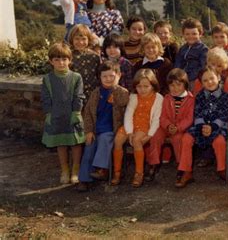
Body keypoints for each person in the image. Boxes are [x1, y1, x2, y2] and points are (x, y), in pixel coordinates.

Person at [77, 61, 129, 192]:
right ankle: (84, 179)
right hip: (96, 129)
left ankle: (102, 169)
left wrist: (115, 92)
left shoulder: (122, 92)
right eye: (104, 77)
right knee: (89, 147)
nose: (108, 79)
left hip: (112, 129)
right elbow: (88, 113)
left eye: (112, 76)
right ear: (100, 78)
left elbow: (125, 107)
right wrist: (89, 131)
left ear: (119, 76)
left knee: (105, 139)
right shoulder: (96, 93)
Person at [175, 67, 228, 188]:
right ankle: (186, 171)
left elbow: (224, 114)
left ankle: (222, 168)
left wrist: (212, 127)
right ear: (201, 83)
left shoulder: (225, 96)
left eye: (212, 78)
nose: (209, 82)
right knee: (186, 138)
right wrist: (201, 126)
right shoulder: (199, 96)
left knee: (219, 141)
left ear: (219, 78)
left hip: (218, 127)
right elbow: (197, 113)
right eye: (205, 80)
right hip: (201, 126)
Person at [41, 42, 85, 184]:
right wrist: (48, 113)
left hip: (72, 114)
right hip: (56, 116)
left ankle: (75, 170)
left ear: (70, 60)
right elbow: (46, 98)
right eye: (57, 60)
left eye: (64, 59)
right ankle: (65, 169)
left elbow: (79, 96)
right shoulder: (47, 79)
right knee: (61, 143)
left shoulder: (76, 77)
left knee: (76, 143)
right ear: (51, 61)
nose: (61, 63)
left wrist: (76, 112)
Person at [111, 69, 164, 188]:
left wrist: (149, 135)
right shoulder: (134, 97)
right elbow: (129, 114)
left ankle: (139, 173)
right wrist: (129, 132)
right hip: (132, 124)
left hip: (146, 125)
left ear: (153, 85)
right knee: (118, 140)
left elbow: (156, 119)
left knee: (136, 141)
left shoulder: (158, 98)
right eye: (139, 86)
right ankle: (117, 171)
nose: (142, 89)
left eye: (146, 86)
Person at [146, 69, 195, 182]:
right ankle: (153, 164)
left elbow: (189, 118)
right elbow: (162, 116)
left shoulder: (190, 99)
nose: (175, 88)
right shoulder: (167, 98)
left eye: (179, 85)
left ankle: (180, 165)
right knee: (155, 136)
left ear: (185, 85)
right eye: (172, 85)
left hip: (180, 129)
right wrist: (168, 126)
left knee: (178, 140)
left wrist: (178, 127)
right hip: (166, 127)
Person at [68, 24, 101, 104]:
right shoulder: (68, 55)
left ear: (88, 40)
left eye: (84, 39)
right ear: (72, 39)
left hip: (92, 94)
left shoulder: (94, 56)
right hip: (74, 95)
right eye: (77, 39)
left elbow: (99, 74)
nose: (80, 42)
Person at [174, 18, 209, 91]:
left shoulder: (203, 49)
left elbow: (202, 67)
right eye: (187, 34)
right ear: (183, 34)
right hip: (181, 79)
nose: (190, 36)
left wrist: (188, 77)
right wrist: (177, 75)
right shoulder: (182, 49)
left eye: (194, 34)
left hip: (195, 79)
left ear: (200, 34)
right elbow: (178, 63)